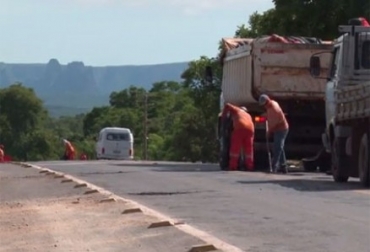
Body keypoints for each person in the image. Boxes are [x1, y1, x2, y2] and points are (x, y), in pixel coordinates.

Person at [259, 94, 289, 173]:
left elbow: (274, 124)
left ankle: (275, 166)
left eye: (264, 105)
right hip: (278, 128)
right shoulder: (271, 105)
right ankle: (283, 166)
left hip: (281, 129)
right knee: (280, 147)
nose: (264, 107)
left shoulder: (273, 109)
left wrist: (269, 132)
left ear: (267, 101)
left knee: (277, 147)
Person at [221, 103, 255, 171]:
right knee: (249, 150)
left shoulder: (238, 110)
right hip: (250, 130)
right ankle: (249, 166)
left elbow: (227, 105)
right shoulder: (248, 115)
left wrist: (223, 116)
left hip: (240, 128)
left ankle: (233, 166)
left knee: (235, 149)